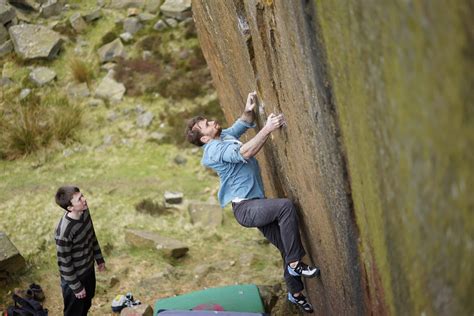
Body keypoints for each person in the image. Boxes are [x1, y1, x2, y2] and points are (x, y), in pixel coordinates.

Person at [185, 91, 320, 313]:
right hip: (247, 209)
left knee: (286, 248)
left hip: (255, 205)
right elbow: (245, 152)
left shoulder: (222, 136)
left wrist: (248, 111)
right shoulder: (215, 150)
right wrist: (267, 129)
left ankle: (295, 294)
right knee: (285, 207)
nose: (211, 121)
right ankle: (296, 264)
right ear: (204, 138)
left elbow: (241, 125)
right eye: (206, 124)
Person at [54, 186, 106, 316]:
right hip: (74, 279)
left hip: (88, 270)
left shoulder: (84, 211)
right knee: (74, 312)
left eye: (82, 195)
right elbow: (64, 264)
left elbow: (91, 235)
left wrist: (99, 258)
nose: (84, 199)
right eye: (79, 199)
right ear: (70, 208)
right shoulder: (64, 232)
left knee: (87, 303)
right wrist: (77, 287)